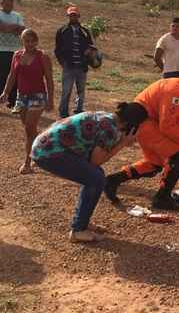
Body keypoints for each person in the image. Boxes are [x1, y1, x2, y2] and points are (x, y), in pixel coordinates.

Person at [104, 69, 179, 210]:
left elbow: (172, 118)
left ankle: (113, 180)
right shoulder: (177, 92)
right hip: (145, 122)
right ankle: (162, 199)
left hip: (147, 121)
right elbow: (167, 127)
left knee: (154, 163)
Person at [31, 103, 148, 243]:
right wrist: (122, 143)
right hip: (49, 153)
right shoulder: (109, 130)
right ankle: (78, 230)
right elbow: (96, 161)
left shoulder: (107, 118)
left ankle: (82, 223)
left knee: (94, 175)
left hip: (44, 146)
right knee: (96, 179)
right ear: (132, 123)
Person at [0, 29, 55, 174]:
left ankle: (28, 162)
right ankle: (44, 149)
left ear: (36, 41)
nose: (30, 44)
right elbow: (12, 75)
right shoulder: (17, 55)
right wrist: (5, 92)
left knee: (29, 129)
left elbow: (49, 79)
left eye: (32, 41)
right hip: (22, 97)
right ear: (22, 42)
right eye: (27, 41)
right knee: (30, 129)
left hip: (38, 97)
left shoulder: (42, 56)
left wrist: (50, 99)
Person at [55, 5, 95, 118]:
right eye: (71, 15)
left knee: (81, 90)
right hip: (69, 66)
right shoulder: (62, 31)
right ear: (68, 16)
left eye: (75, 15)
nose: (73, 17)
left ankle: (78, 110)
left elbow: (91, 46)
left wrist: (89, 52)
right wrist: (63, 63)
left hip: (82, 66)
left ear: (79, 16)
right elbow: (57, 49)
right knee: (66, 90)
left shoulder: (85, 31)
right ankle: (63, 112)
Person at [0, 0, 25, 115]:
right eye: (6, 4)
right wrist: (14, 27)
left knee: (16, 78)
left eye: (11, 5)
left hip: (15, 51)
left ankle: (14, 103)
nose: (9, 7)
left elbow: (22, 31)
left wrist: (6, 27)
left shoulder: (17, 15)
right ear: (1, 3)